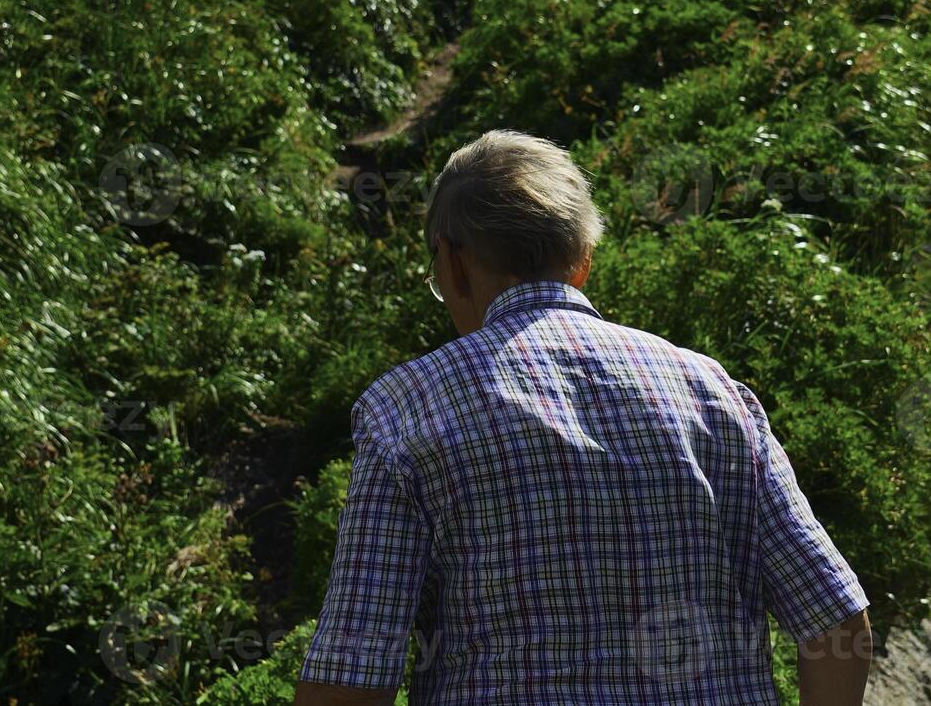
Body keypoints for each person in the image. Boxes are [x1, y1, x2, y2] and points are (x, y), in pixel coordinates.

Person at [292, 131, 873, 706]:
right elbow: (837, 627)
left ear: (452, 264)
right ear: (582, 262)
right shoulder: (713, 393)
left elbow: (352, 679)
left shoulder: (407, 412)